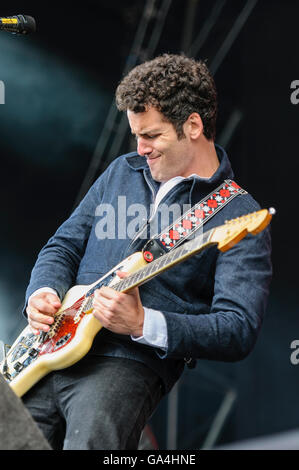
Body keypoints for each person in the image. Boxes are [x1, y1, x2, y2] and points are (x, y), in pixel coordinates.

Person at [22, 53, 272, 450]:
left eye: (152, 136)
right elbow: (64, 245)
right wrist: (42, 292)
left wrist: (143, 322)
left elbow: (237, 328)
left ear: (193, 125)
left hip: (125, 364)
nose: (140, 148)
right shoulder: (122, 171)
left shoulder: (239, 213)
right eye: (136, 135)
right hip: (42, 350)